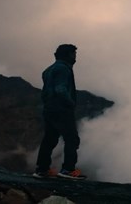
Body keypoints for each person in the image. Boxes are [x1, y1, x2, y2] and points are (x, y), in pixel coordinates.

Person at [33, 44, 86, 180]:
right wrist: (70, 103)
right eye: (74, 54)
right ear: (68, 55)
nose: (75, 57)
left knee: (49, 139)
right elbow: (60, 89)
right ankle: (68, 169)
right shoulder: (64, 69)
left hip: (49, 109)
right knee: (72, 139)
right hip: (62, 109)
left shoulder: (48, 70)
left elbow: (46, 92)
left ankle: (42, 169)